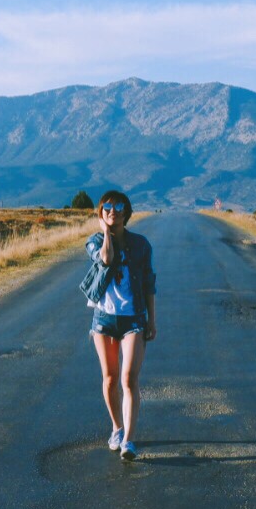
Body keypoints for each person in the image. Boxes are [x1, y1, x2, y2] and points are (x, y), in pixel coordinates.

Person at [80, 189, 155, 460]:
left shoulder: (141, 245)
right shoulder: (94, 241)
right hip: (104, 320)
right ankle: (117, 428)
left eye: (118, 205)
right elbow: (107, 259)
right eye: (107, 207)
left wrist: (152, 319)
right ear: (101, 213)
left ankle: (129, 441)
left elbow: (148, 283)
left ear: (127, 211)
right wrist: (106, 232)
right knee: (110, 379)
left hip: (134, 318)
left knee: (129, 379)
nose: (113, 210)